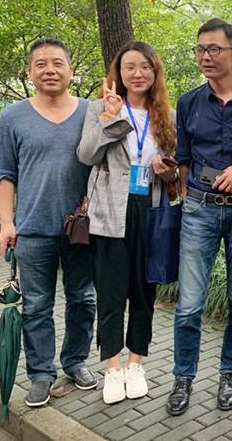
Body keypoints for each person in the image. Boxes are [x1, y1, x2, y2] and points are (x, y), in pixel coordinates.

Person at [167, 18, 232, 416]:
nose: (205, 57)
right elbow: (184, 159)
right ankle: (183, 378)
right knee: (189, 303)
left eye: (214, 49)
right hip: (199, 209)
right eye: (200, 50)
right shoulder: (188, 103)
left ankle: (230, 375)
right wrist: (189, 198)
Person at [0, 38, 97, 407]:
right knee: (36, 306)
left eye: (57, 63)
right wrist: (7, 222)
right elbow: (3, 174)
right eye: (41, 64)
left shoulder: (91, 112)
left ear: (70, 71)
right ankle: (40, 373)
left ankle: (76, 361)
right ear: (30, 72)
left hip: (82, 228)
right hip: (32, 228)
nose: (49, 70)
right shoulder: (13, 117)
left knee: (83, 299)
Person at [77, 40, 177, 404]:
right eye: (129, 67)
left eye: (145, 67)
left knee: (143, 291)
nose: (138, 74)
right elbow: (86, 154)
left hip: (150, 208)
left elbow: (174, 172)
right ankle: (112, 368)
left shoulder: (166, 113)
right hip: (109, 210)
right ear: (118, 72)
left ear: (155, 73)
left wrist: (166, 172)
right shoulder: (99, 108)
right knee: (111, 293)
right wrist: (112, 117)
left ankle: (136, 363)